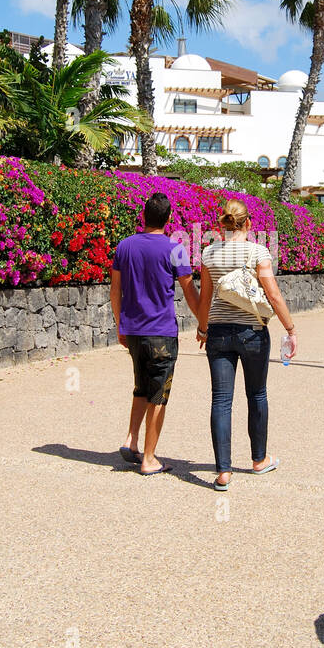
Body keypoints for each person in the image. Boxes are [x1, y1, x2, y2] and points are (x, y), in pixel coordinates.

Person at [195, 199, 297, 492]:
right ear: (248, 223)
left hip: (218, 333)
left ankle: (223, 472)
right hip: (253, 332)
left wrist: (203, 329)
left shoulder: (208, 253)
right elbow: (273, 295)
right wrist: (290, 329)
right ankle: (259, 460)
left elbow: (205, 299)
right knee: (257, 394)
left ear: (223, 224)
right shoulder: (258, 251)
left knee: (221, 400)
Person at [111, 193, 198, 476]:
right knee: (158, 396)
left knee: (141, 387)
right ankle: (149, 459)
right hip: (161, 333)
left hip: (133, 331)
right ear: (169, 218)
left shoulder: (125, 246)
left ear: (144, 215)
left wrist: (119, 325)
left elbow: (115, 291)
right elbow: (188, 290)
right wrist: (204, 322)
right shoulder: (175, 248)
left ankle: (131, 440)